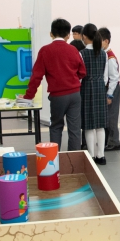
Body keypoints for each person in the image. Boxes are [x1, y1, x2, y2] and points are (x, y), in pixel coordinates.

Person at [22, 18, 85, 151]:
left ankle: (54, 158)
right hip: (75, 94)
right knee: (74, 128)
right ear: (68, 35)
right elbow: (82, 71)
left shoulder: (45, 50)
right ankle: (73, 158)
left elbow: (36, 76)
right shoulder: (73, 50)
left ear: (51, 33)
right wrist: (73, 79)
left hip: (58, 96)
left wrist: (29, 96)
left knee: (56, 126)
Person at [79, 23, 108, 166]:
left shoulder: (81, 53)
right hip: (100, 88)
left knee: (89, 124)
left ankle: (90, 155)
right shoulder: (103, 53)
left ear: (84, 36)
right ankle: (101, 156)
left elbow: (79, 75)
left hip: (86, 88)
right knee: (100, 125)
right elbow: (106, 76)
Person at [99, 27, 120, 152]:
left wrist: (109, 95)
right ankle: (108, 140)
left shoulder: (110, 58)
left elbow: (114, 78)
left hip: (112, 88)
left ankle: (114, 142)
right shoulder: (104, 55)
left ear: (106, 41)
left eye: (99, 41)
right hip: (108, 88)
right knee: (107, 115)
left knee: (112, 116)